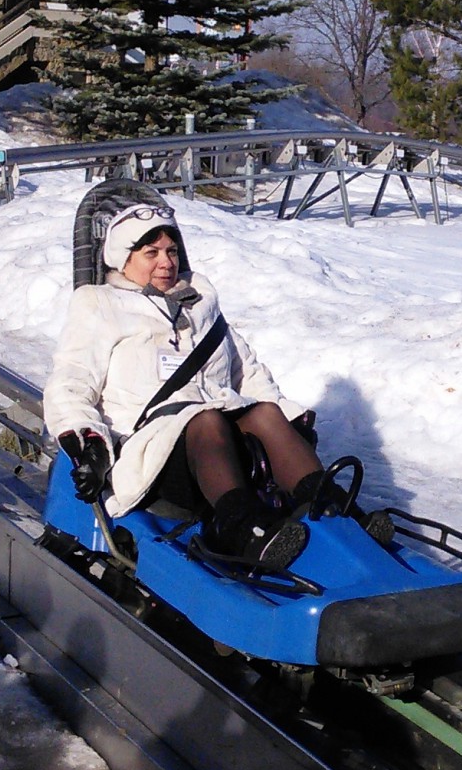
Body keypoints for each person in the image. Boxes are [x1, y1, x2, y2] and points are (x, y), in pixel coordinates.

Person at [43, 202, 389, 572]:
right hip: (153, 453)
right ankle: (238, 528)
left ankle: (336, 514)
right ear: (122, 259)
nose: (166, 262)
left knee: (266, 413)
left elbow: (247, 372)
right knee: (204, 420)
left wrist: (289, 421)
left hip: (221, 442)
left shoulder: (200, 302)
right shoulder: (99, 306)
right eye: (151, 253)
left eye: (172, 251)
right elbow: (71, 380)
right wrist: (88, 443)